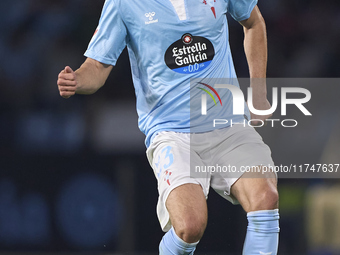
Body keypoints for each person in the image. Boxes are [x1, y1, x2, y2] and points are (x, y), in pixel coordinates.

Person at [57, 0, 279, 254]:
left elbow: (253, 22)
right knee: (189, 227)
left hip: (227, 123)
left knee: (265, 197)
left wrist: (259, 94)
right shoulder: (124, 3)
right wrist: (76, 80)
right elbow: (97, 66)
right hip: (171, 132)